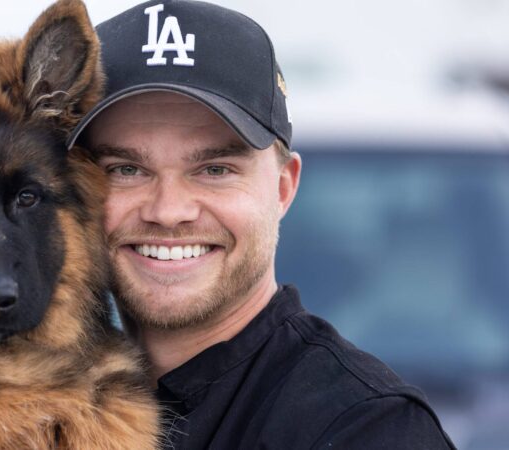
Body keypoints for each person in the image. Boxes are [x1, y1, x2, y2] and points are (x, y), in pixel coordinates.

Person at [67, 1, 456, 448]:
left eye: (215, 170)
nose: (169, 210)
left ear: (284, 187)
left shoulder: (366, 429)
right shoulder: (34, 409)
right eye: (125, 169)